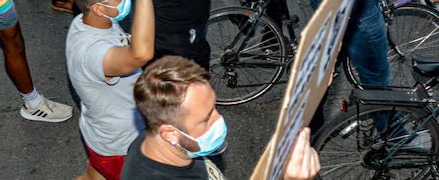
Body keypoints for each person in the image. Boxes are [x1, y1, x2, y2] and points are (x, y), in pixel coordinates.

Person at [121, 55, 322, 180]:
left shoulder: (153, 138)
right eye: (206, 118)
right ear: (170, 133)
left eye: (214, 108)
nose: (219, 119)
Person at [67, 0, 155, 180]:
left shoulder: (86, 21)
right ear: (98, 7)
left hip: (98, 134)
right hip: (120, 146)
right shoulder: (93, 53)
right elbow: (140, 54)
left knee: (94, 175)